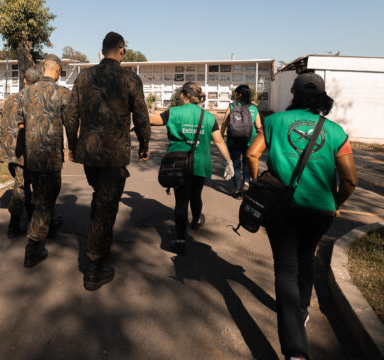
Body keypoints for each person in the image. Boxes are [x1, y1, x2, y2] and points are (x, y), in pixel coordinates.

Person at [246, 72, 357, 360]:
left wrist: (260, 183)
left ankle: (295, 349)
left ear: (293, 93)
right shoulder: (335, 131)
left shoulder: (272, 122)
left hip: (281, 206)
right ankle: (303, 310)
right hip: (320, 210)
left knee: (285, 269)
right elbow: (350, 180)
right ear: (322, 96)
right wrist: (337, 203)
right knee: (306, 258)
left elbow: (251, 155)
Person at [66, 31, 150, 291]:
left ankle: (97, 237)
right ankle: (94, 266)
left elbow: (71, 115)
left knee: (100, 196)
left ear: (102, 50)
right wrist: (144, 145)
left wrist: (72, 145)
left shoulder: (84, 76)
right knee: (106, 206)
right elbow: (141, 116)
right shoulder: (129, 78)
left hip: (89, 153)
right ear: (121, 50)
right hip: (113, 155)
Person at [149, 82, 234, 254]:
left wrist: (132, 110)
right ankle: (195, 221)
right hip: (200, 164)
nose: (179, 96)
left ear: (185, 95)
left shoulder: (173, 112)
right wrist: (229, 161)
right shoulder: (209, 117)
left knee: (181, 201)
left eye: (181, 93)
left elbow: (152, 120)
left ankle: (180, 239)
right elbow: (218, 141)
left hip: (179, 163)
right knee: (196, 194)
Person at [15, 55, 72, 267]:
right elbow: (72, 124)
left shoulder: (26, 92)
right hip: (51, 157)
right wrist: (73, 147)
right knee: (45, 202)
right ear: (56, 69)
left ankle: (44, 229)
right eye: (60, 70)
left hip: (32, 156)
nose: (60, 73)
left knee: (40, 196)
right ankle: (33, 247)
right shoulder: (63, 93)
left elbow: (20, 123)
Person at [0, 68, 42, 238]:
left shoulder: (10, 99)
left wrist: (0, 147)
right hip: (26, 151)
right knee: (22, 187)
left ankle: (28, 218)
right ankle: (14, 226)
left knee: (23, 184)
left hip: (11, 151)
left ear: (24, 80)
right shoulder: (34, 100)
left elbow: (3, 125)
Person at [220, 84, 263, 198]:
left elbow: (224, 122)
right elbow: (258, 126)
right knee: (246, 162)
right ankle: (246, 182)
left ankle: (237, 189)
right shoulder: (253, 108)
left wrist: (220, 136)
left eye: (235, 92)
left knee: (235, 163)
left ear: (239, 94)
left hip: (233, 140)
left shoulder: (232, 106)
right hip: (249, 140)